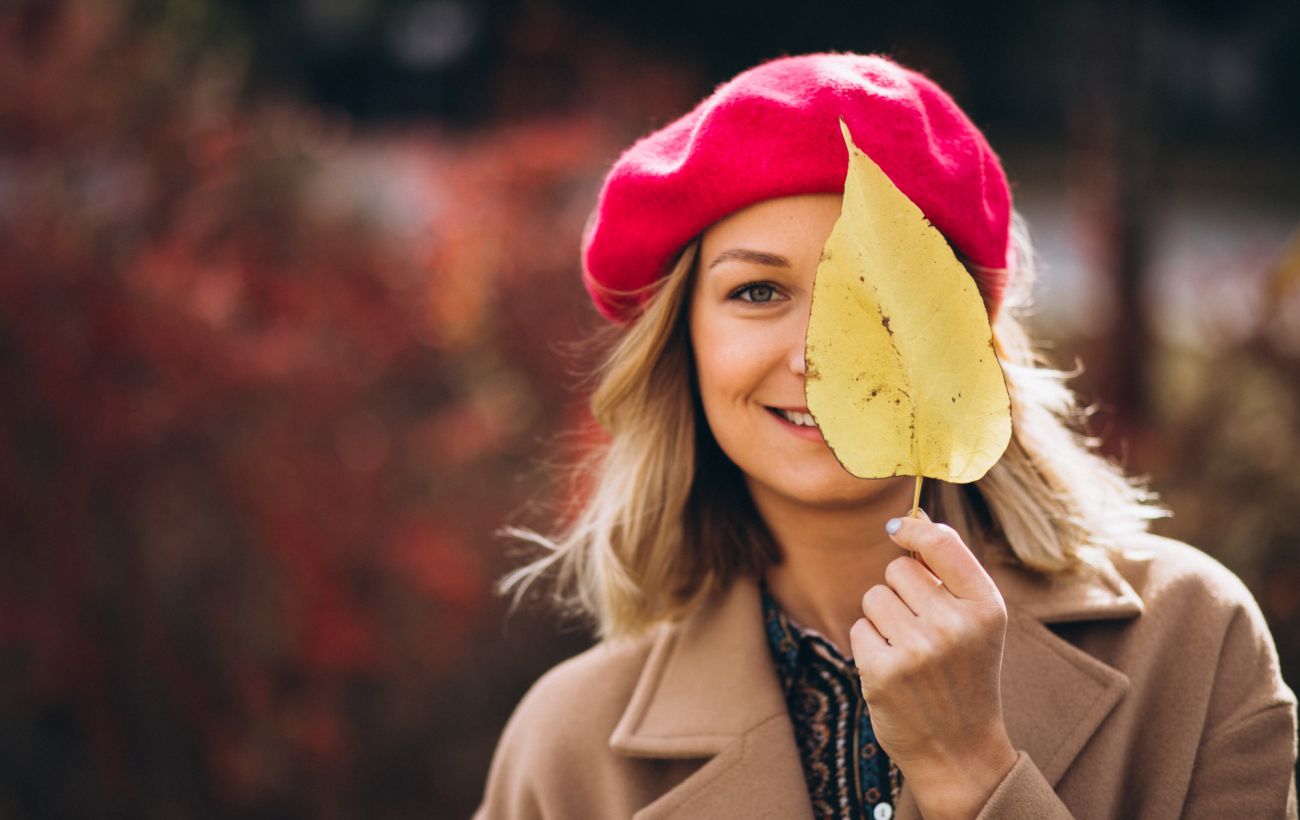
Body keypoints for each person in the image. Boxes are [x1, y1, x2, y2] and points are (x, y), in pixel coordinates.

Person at [473, 52, 1298, 819]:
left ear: (963, 337)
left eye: (872, 291)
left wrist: (971, 770)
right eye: (758, 292)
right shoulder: (567, 748)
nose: (816, 356)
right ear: (680, 346)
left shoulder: (1190, 641)